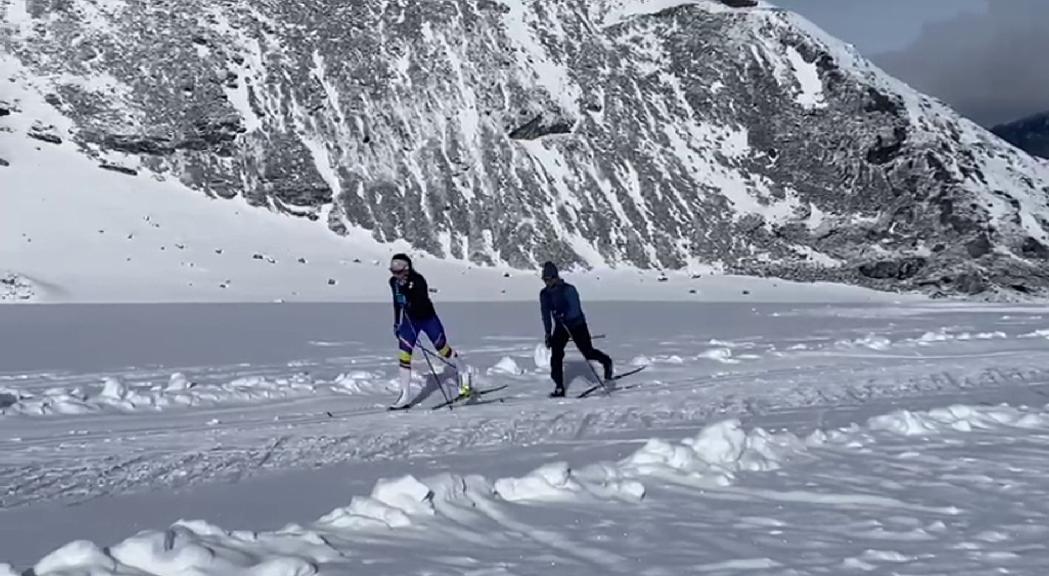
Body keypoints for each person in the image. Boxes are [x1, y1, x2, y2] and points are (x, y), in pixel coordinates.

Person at [389, 253, 470, 408]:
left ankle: (463, 372)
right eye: (393, 272)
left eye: (398, 272)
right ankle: (404, 395)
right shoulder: (393, 282)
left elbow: (420, 301)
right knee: (404, 355)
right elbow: (396, 303)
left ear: (407, 269)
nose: (395, 275)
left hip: (427, 319)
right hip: (409, 321)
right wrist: (397, 323)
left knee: (443, 349)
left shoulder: (418, 280)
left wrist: (407, 295)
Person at [539, 261, 613, 397]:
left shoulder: (568, 289)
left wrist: (564, 314)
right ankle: (559, 386)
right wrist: (548, 333)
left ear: (555, 278)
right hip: (561, 327)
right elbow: (545, 315)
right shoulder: (544, 295)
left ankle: (607, 362)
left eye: (549, 279)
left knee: (588, 352)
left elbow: (575, 309)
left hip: (577, 324)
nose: (547, 283)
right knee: (556, 354)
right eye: (544, 280)